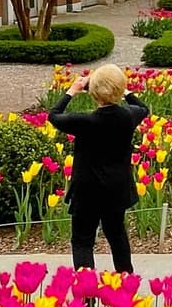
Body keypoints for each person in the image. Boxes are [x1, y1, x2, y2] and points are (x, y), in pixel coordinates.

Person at [47, 65, 149, 274]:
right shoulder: (129, 116)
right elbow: (143, 107)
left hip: (87, 190)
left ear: (93, 92)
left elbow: (54, 115)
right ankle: (126, 282)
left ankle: (87, 289)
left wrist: (72, 90)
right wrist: (121, 90)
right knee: (117, 236)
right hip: (117, 189)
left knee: (83, 241)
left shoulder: (85, 121)